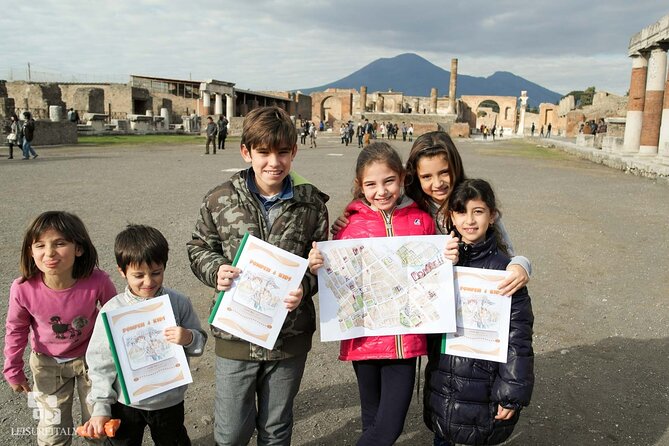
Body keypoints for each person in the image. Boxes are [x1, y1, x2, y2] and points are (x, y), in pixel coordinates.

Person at [186, 106, 329, 446]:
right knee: (230, 431)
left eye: (282, 152)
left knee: (276, 428)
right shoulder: (220, 199)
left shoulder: (312, 205)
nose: (273, 162)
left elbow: (322, 263)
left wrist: (305, 286)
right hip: (236, 333)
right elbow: (199, 246)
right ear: (246, 152)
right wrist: (214, 270)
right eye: (263, 152)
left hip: (288, 335)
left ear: (294, 151)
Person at [307, 142, 458, 446]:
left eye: (389, 180)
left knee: (388, 427)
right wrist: (317, 265)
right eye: (371, 184)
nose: (382, 191)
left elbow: (433, 271)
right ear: (359, 186)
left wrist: (448, 256)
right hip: (363, 338)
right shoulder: (348, 226)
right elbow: (337, 277)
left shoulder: (422, 221)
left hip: (404, 341)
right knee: (372, 421)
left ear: (403, 178)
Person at [333, 131, 530, 296]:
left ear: (456, 166)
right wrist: (351, 217)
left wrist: (522, 265)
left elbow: (507, 253)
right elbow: (379, 203)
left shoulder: (476, 202)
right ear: (414, 177)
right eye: (426, 176)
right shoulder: (410, 208)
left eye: (444, 172)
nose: (437, 184)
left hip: (473, 297)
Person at [424, 178, 534, 446]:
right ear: (451, 216)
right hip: (443, 383)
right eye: (461, 212)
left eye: (478, 211)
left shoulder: (505, 272)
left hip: (483, 389)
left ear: (492, 216)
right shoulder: (438, 262)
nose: (469, 220)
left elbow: (518, 338)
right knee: (443, 437)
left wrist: (510, 394)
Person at [84, 224, 207, 444]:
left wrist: (188, 337)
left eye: (156, 273)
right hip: (126, 402)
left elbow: (199, 340)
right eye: (138, 275)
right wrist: (101, 405)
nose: (149, 282)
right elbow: (100, 362)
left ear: (164, 267)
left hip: (169, 400)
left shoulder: (178, 302)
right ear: (122, 272)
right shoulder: (112, 310)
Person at [3, 211, 117, 445]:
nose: (49, 253)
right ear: (30, 251)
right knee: (53, 431)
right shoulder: (23, 288)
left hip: (91, 361)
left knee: (97, 424)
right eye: (40, 245)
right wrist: (12, 369)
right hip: (47, 364)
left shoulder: (98, 281)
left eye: (60, 243)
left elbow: (115, 319)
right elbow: (16, 329)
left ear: (79, 248)